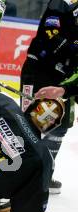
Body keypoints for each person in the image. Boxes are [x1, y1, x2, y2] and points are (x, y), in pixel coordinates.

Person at [20, 0, 78, 194]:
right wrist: (75, 48)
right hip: (39, 71)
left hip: (66, 76)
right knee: (31, 124)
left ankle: (46, 172)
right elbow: (50, 34)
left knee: (61, 126)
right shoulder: (62, 3)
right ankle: (20, 174)